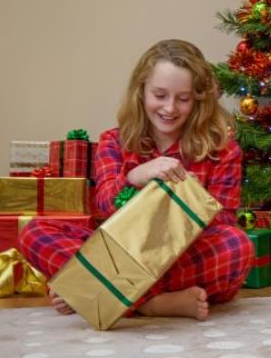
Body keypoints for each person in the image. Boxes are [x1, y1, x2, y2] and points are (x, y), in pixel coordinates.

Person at [19, 39, 253, 320]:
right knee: (33, 231)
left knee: (237, 245)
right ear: (141, 91)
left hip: (180, 259)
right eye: (160, 95)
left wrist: (189, 199)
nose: (170, 108)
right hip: (116, 251)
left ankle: (97, 290)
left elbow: (224, 221)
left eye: (183, 98)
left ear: (198, 99)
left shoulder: (222, 150)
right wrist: (134, 177)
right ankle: (151, 303)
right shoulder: (114, 142)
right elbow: (104, 208)